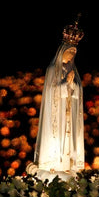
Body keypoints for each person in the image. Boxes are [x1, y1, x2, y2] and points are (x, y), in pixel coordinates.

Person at [32, 15, 85, 182]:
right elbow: (51, 93)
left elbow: (78, 92)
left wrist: (72, 85)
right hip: (57, 114)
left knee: (68, 140)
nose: (70, 56)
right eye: (69, 52)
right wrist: (64, 84)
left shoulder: (72, 71)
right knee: (58, 139)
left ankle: (67, 165)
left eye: (73, 54)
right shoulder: (52, 70)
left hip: (68, 112)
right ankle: (53, 165)